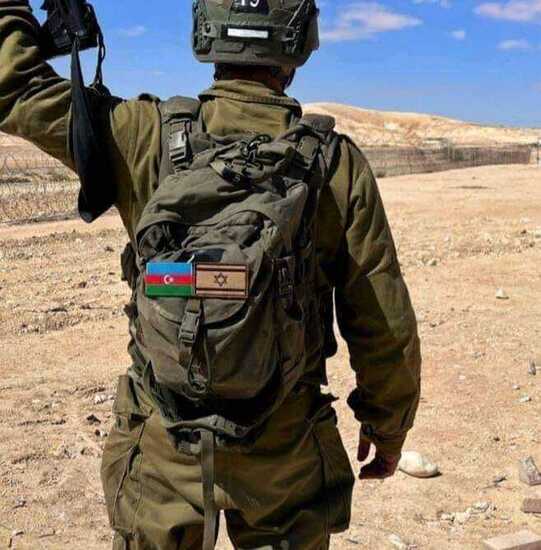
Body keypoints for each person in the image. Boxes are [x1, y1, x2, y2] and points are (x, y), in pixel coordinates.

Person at [0, 0, 422, 548]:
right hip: (285, 449)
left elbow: (14, 89)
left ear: (206, 34)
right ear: (298, 44)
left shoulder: (143, 135)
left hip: (162, 440)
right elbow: (381, 319)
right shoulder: (335, 164)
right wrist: (387, 425)